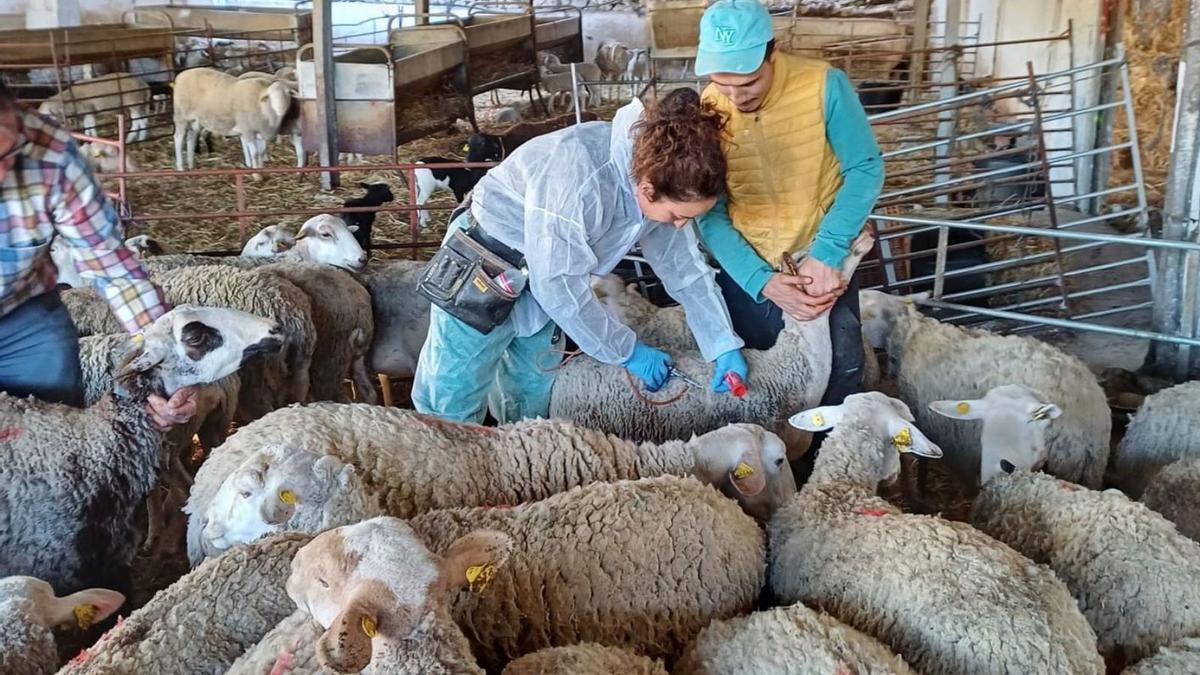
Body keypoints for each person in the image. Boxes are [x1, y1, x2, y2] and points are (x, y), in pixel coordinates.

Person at [413, 88, 747, 424]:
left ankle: (518, 463)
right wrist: (627, 351)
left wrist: (722, 343)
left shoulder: (658, 180)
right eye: (678, 215)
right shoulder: (580, 175)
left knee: (531, 389)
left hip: (547, 278)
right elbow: (558, 286)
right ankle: (446, 469)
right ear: (648, 189)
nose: (680, 226)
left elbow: (685, 269)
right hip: (485, 263)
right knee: (452, 394)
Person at [693, 0, 884, 409]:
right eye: (722, 83)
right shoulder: (710, 105)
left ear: (772, 53)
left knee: (841, 374)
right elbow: (710, 210)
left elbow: (865, 168)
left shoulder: (823, 85)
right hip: (748, 271)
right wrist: (760, 279)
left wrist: (827, 254)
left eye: (747, 83)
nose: (734, 96)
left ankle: (829, 467)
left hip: (820, 268)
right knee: (759, 388)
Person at [0, 81, 195, 428]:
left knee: (56, 437)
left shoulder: (51, 152)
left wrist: (161, 365)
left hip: (23, 314)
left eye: (7, 153)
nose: (2, 174)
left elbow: (113, 270)